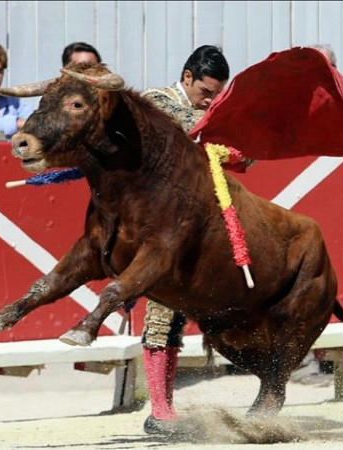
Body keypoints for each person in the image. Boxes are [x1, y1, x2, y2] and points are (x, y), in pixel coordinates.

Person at [139, 45, 230, 435]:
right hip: (155, 225)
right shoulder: (156, 100)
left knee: (176, 312)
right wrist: (227, 126)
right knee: (161, 308)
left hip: (193, 225)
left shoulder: (209, 111)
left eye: (217, 94)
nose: (209, 100)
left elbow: (241, 155)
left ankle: (165, 408)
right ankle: (159, 410)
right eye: (206, 92)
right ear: (187, 77)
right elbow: (189, 126)